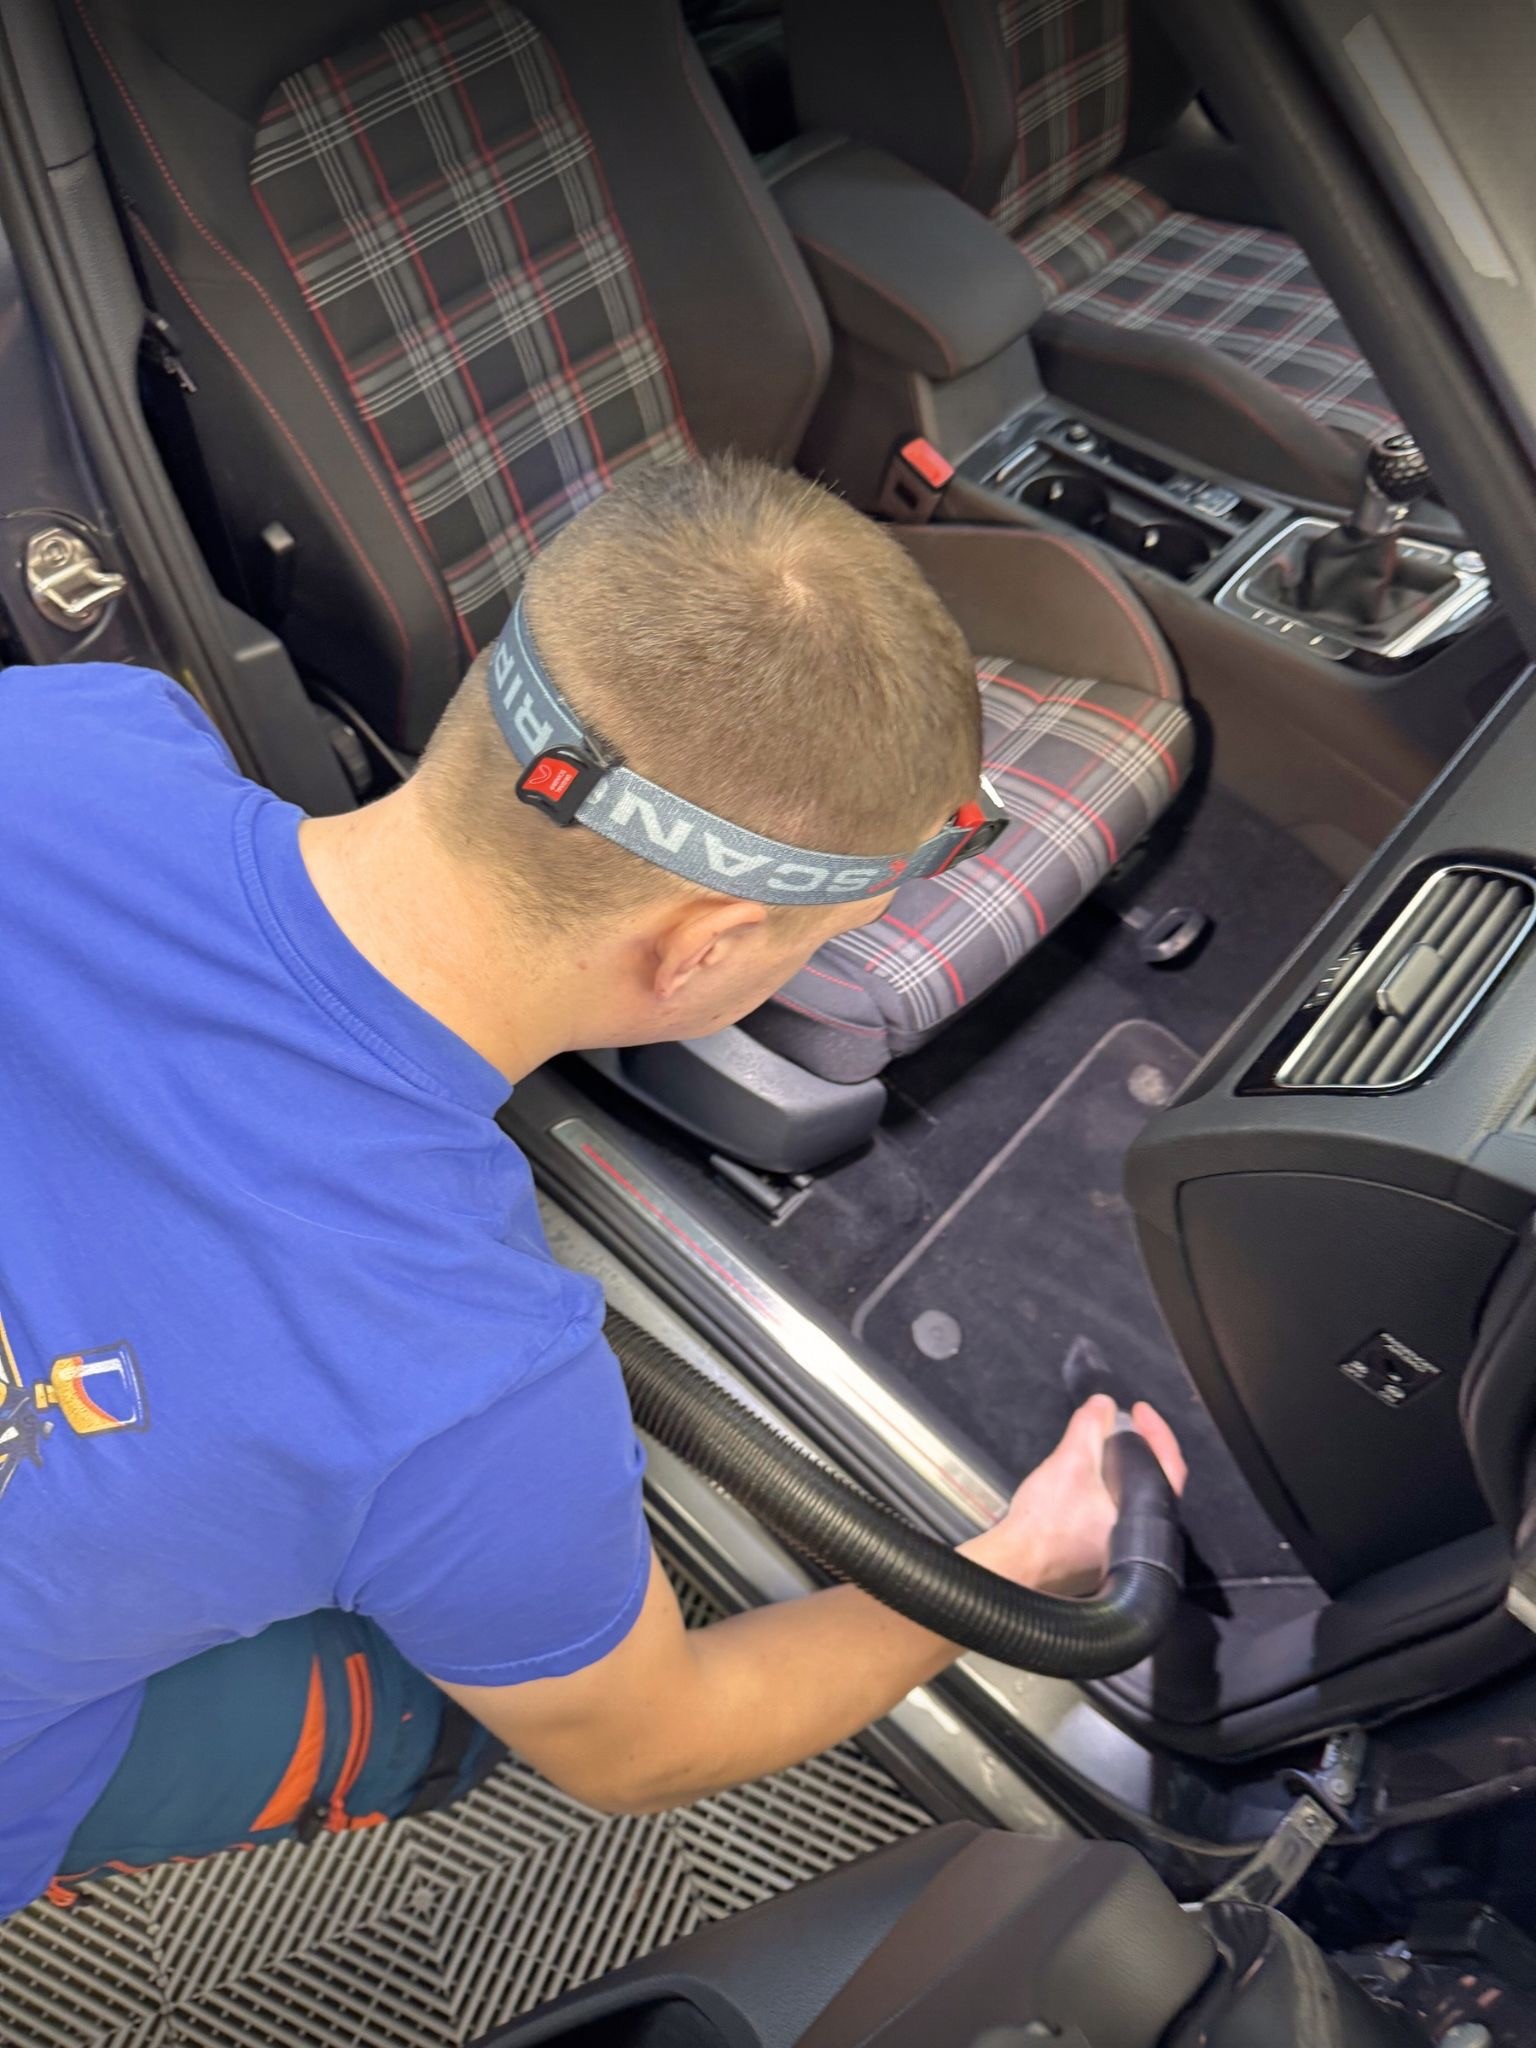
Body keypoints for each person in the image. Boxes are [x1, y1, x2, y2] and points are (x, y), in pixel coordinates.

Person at [0, 456, 1184, 1917]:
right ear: (704, 947)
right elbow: (648, 1750)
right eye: (822, 939)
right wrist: (1026, 1557)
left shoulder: (67, 734)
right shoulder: (467, 1394)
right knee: (433, 1702)